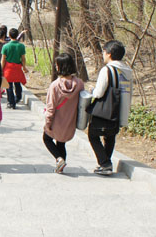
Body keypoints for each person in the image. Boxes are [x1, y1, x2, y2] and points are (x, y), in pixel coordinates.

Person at [89, 40, 133, 176]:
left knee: (93, 135)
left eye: (103, 52)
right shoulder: (127, 70)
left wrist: (92, 91)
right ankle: (105, 163)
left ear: (108, 53)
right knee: (110, 137)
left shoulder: (107, 69)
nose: (103, 55)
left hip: (106, 110)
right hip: (120, 109)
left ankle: (105, 163)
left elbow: (99, 92)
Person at [43, 54, 84, 174]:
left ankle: (59, 159)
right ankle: (60, 165)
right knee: (61, 143)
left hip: (56, 121)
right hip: (69, 121)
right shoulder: (79, 84)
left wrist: (48, 123)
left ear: (60, 66)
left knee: (46, 138)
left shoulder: (55, 85)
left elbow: (50, 107)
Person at [0, 28, 29, 109]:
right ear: (17, 35)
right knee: (17, 83)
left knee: (9, 86)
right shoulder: (21, 46)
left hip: (8, 69)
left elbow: (3, 59)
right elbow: (23, 58)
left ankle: (11, 103)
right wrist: (24, 67)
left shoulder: (6, 46)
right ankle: (18, 97)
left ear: (9, 36)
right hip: (17, 68)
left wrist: (1, 69)